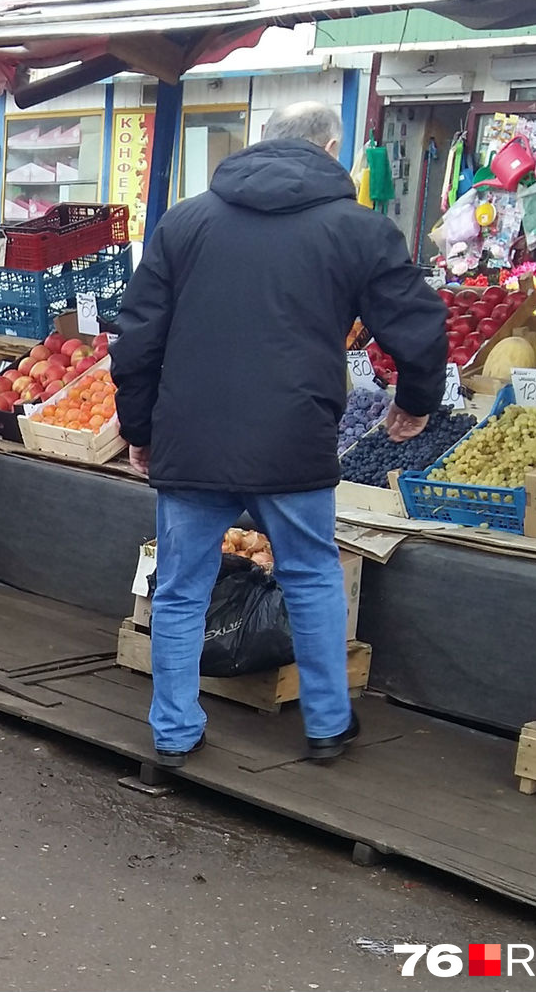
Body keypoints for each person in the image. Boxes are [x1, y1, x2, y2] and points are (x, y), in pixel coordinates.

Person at [110, 101, 447, 767]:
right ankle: (325, 724)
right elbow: (419, 322)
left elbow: (136, 338)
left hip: (192, 434)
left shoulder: (184, 222)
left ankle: (173, 730)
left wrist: (139, 427)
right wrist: (415, 401)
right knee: (311, 574)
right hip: (293, 437)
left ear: (260, 144)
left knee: (179, 587)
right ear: (328, 148)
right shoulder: (356, 228)